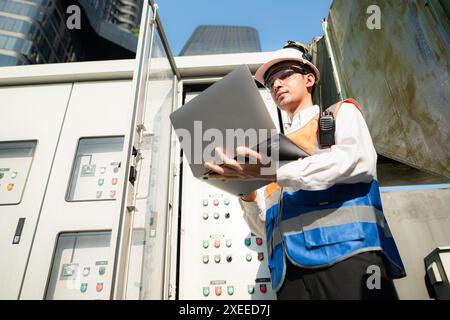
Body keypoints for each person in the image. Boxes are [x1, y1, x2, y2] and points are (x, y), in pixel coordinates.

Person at [204, 41, 406, 300]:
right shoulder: (268, 152)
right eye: (270, 82)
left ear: (309, 78)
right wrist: (246, 193)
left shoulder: (340, 114)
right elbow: (263, 227)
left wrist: (272, 173)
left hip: (348, 257)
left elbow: (357, 162)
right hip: (289, 274)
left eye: (285, 75)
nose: (276, 84)